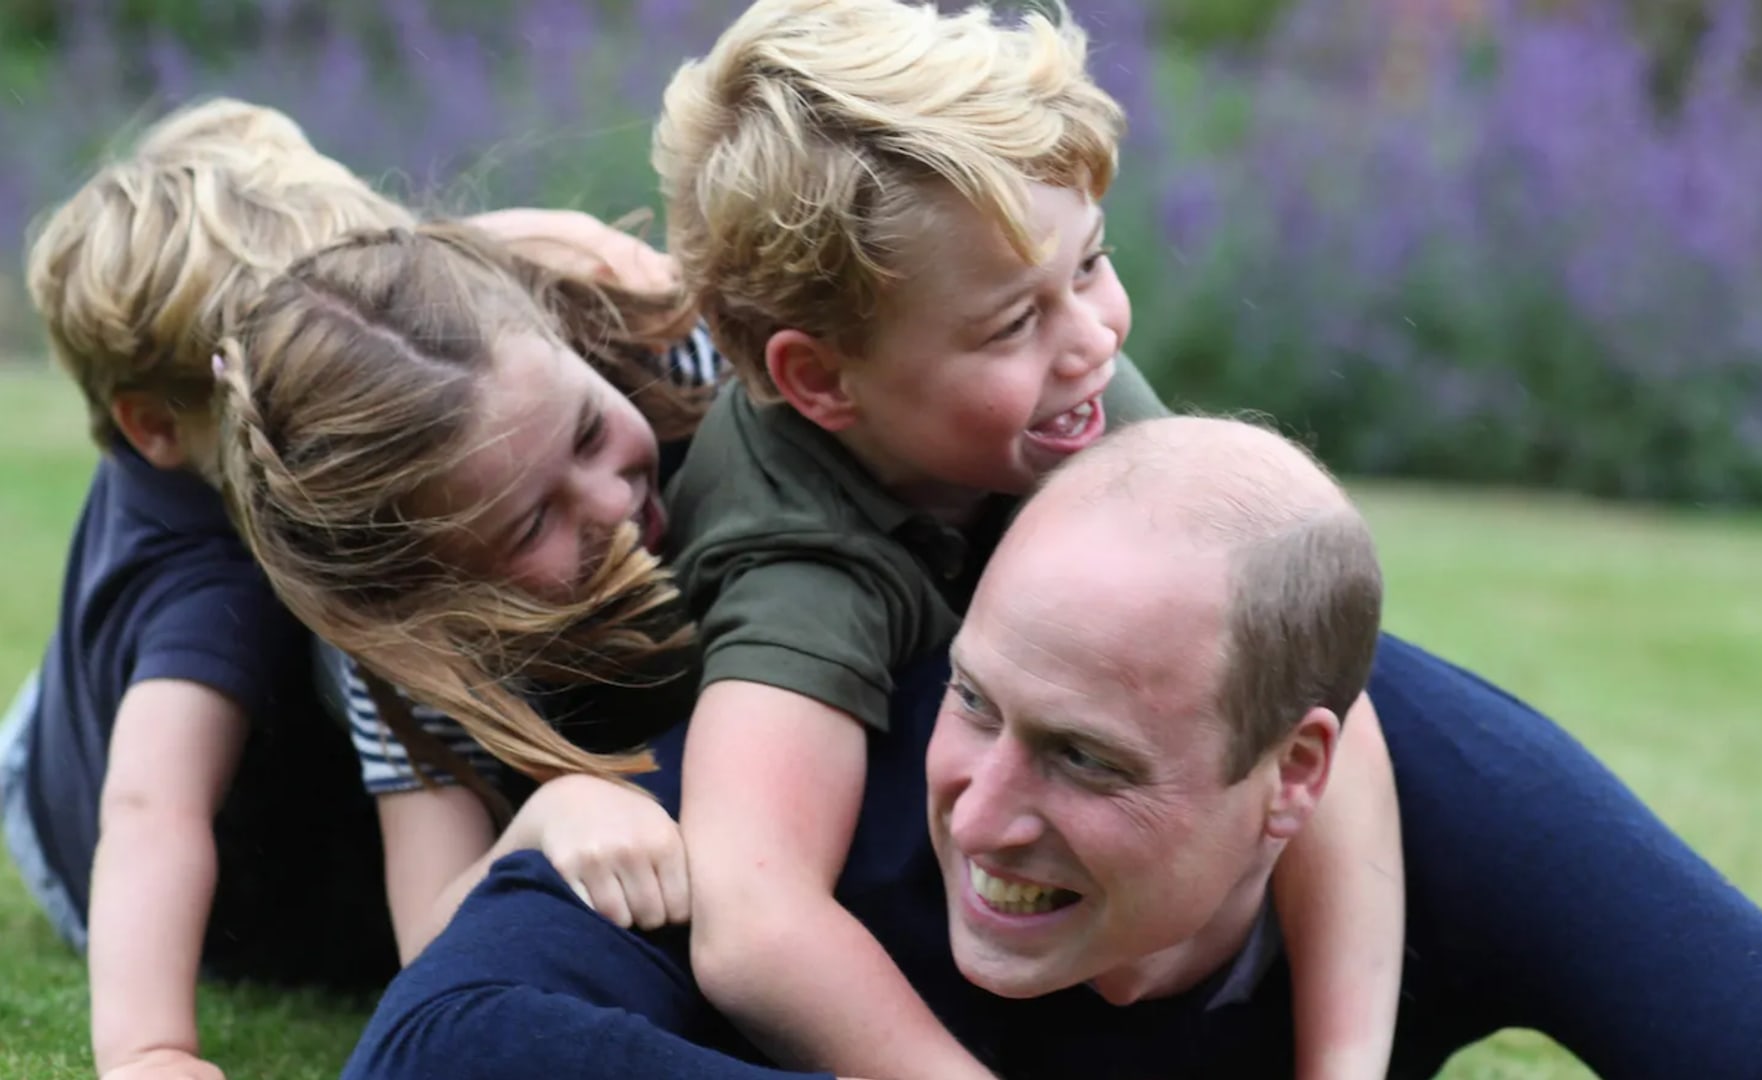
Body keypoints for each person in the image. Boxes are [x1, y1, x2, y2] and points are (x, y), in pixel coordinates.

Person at [339, 417, 1762, 1079]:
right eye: (980, 703)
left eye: (1090, 763)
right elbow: (437, 1045)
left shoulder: (1454, 793)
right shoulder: (832, 765)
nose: (988, 813)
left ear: (1295, 775)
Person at [651, 1, 1403, 1074]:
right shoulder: (798, 558)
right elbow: (754, 920)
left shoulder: (1058, 381)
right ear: (819, 379)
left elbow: (1329, 708)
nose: (1092, 337)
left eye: (1091, 264)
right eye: (1014, 323)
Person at [0, 95, 704, 1080]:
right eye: (298, 375)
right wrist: (149, 1049)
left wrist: (536, 246)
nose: (351, 369)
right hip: (71, 815)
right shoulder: (211, 588)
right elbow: (151, 810)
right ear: (166, 422)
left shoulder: (388, 362)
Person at [216, 220, 720, 962]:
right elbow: (426, 937)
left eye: (586, 431)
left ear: (561, 334)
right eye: (531, 524)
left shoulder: (688, 361)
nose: (612, 503)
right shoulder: (414, 652)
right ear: (425, 591)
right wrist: (548, 816)